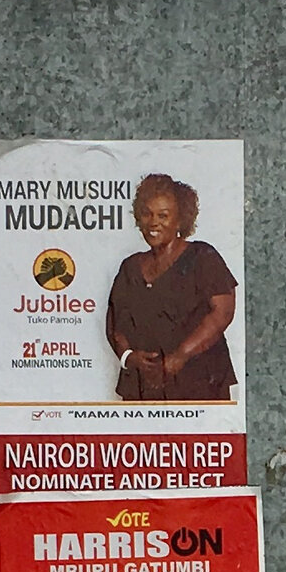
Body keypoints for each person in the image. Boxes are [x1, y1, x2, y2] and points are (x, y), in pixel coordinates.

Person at [104, 173, 237, 403]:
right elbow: (115, 322)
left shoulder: (202, 257)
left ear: (180, 220)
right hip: (141, 386)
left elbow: (223, 312)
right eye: (147, 214)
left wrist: (180, 356)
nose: (153, 222)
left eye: (163, 215)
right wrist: (129, 357)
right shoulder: (130, 267)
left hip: (199, 382)